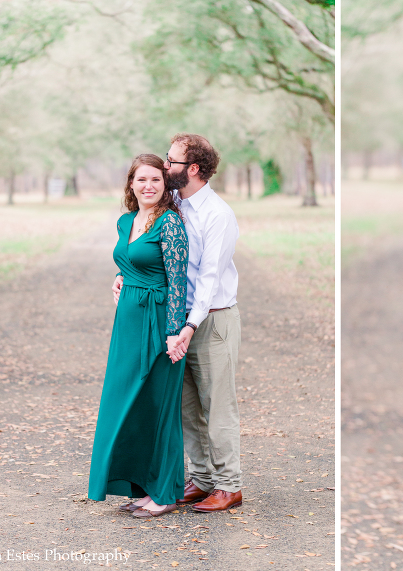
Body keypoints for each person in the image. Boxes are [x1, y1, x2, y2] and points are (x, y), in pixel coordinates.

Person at [88, 153, 189, 518]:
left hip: (161, 321)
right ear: (131, 183)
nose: (148, 186)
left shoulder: (171, 224)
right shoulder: (125, 221)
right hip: (128, 324)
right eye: (141, 179)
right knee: (129, 405)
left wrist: (175, 333)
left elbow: (179, 282)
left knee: (159, 407)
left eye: (156, 180)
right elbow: (129, 261)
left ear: (165, 186)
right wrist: (121, 279)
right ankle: (143, 486)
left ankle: (163, 492)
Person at [165, 133, 243, 512]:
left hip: (212, 322)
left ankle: (230, 486)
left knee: (218, 406)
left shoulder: (218, 215)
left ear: (192, 169)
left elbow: (209, 278)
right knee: (187, 406)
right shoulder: (174, 203)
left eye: (171, 161)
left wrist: (190, 326)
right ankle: (202, 479)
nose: (165, 167)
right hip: (181, 322)